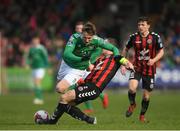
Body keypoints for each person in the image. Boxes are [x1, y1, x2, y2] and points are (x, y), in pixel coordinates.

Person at [38, 45, 134, 124]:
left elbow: (123, 60)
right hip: (88, 84)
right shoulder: (99, 60)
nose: (103, 48)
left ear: (111, 50)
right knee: (65, 104)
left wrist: (127, 64)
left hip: (94, 87)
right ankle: (90, 120)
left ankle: (52, 121)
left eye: (106, 47)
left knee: (64, 98)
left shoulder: (115, 58)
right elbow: (90, 71)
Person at [55, 21, 119, 101]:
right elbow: (66, 54)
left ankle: (77, 87)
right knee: (61, 90)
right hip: (66, 64)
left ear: (94, 36)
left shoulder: (97, 40)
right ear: (81, 33)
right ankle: (79, 82)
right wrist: (81, 59)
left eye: (89, 38)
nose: (87, 40)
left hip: (77, 69)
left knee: (59, 88)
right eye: (85, 37)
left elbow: (114, 48)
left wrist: (117, 58)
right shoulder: (75, 37)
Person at [121, 16, 164, 122]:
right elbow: (125, 49)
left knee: (146, 97)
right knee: (132, 88)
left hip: (149, 69)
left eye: (143, 24)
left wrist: (154, 60)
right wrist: (122, 63)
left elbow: (161, 51)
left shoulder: (155, 37)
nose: (140, 27)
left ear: (148, 25)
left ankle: (142, 116)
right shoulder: (134, 37)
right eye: (139, 24)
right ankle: (132, 105)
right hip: (136, 67)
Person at [74, 21, 109, 114]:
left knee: (84, 87)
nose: (79, 30)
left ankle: (101, 97)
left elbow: (102, 47)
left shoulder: (93, 39)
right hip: (81, 65)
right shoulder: (76, 40)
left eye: (80, 29)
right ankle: (97, 101)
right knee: (81, 87)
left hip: (89, 65)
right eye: (77, 29)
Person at [26, 34, 49, 105]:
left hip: (40, 68)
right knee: (36, 84)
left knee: (37, 82)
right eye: (34, 40)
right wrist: (27, 64)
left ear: (38, 41)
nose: (35, 41)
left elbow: (45, 58)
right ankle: (38, 98)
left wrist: (47, 67)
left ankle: (39, 98)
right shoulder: (31, 49)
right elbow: (29, 57)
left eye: (36, 40)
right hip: (34, 68)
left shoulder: (41, 48)